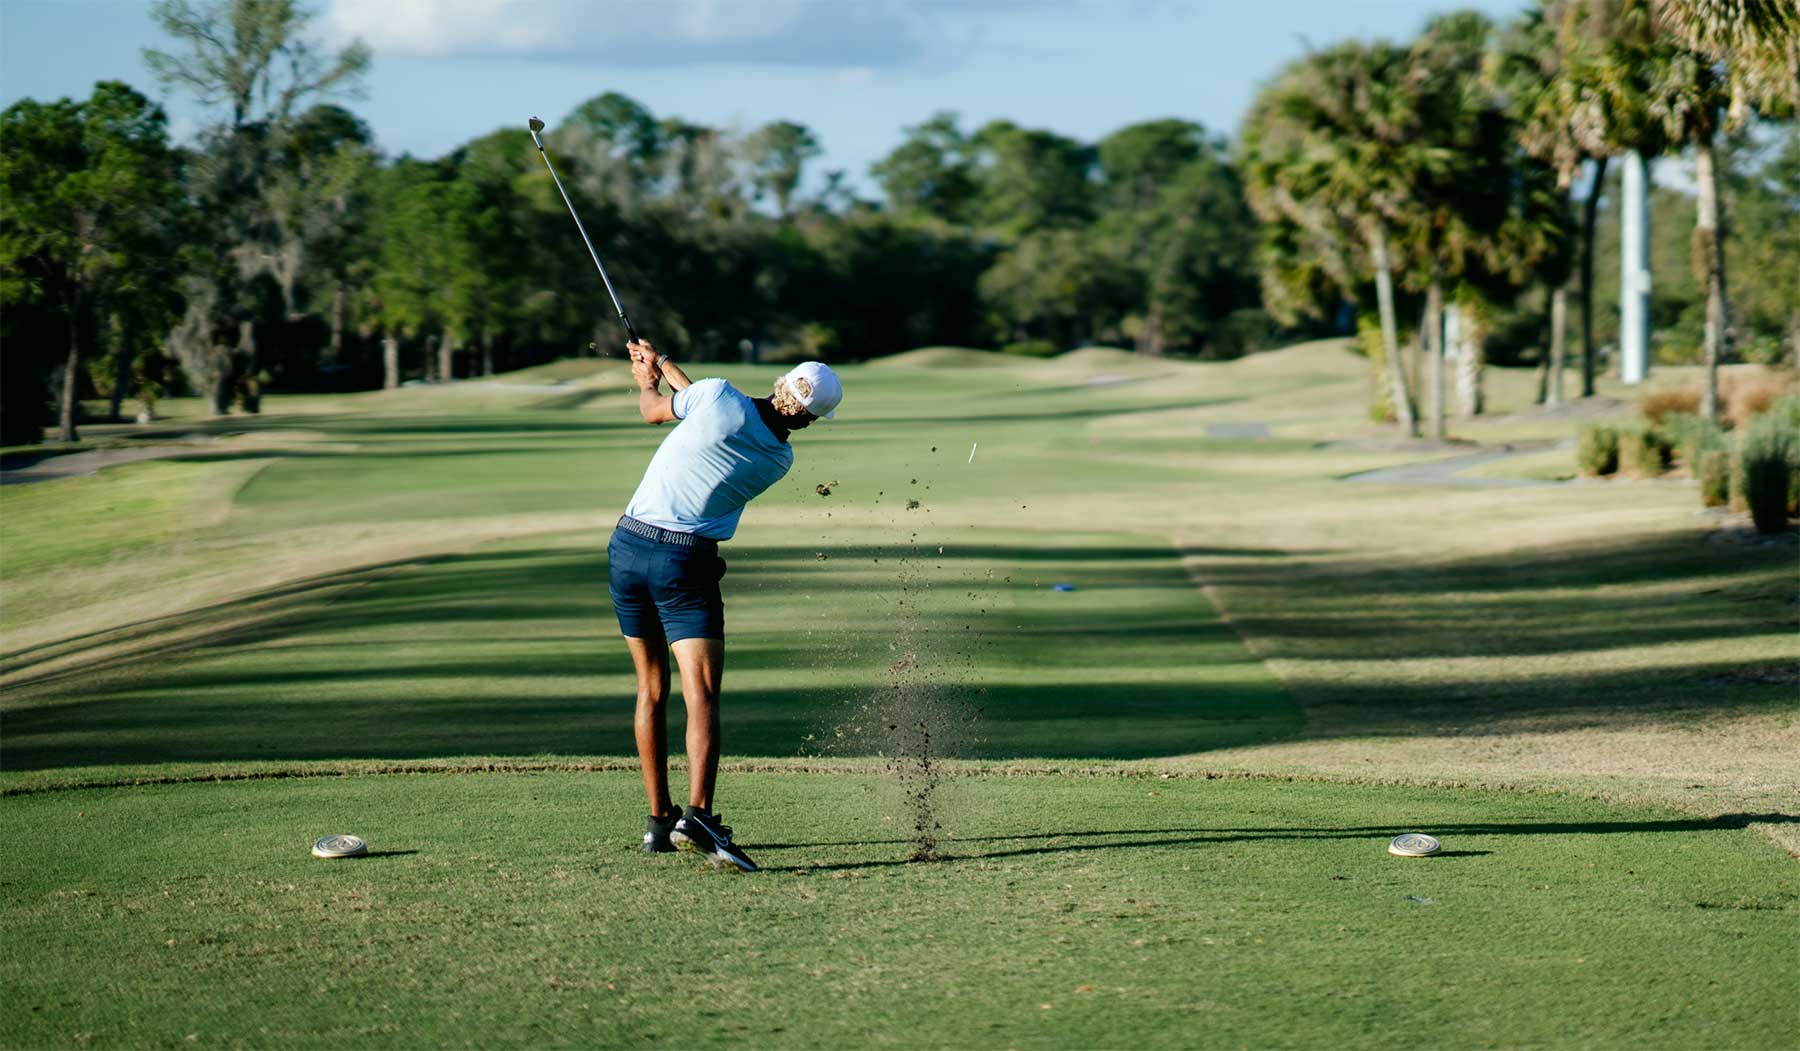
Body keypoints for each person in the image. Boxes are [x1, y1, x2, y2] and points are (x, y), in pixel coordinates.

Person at [610, 338, 843, 871]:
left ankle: (658, 824)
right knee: (702, 694)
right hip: (684, 563)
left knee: (650, 687)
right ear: (810, 421)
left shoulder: (716, 395)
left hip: (626, 547)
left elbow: (664, 410)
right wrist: (664, 364)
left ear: (781, 382)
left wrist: (648, 375)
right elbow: (712, 414)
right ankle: (698, 815)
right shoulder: (778, 459)